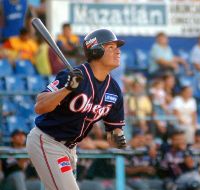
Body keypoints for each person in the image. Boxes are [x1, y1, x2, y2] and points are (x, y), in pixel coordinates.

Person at [26, 29, 127, 190]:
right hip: (47, 141)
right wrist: (67, 89)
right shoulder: (72, 75)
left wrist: (118, 139)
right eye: (111, 47)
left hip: (71, 149)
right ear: (96, 50)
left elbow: (114, 133)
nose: (118, 51)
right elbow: (40, 106)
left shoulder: (114, 90)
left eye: (117, 47)